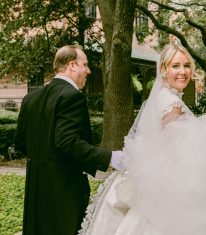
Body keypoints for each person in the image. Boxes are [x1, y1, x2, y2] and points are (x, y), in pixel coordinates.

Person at [79, 44, 206, 235]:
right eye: (176, 66)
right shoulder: (171, 103)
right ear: (164, 70)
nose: (183, 72)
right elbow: (168, 152)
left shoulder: (163, 97)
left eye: (187, 65)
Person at [14, 45, 125, 235]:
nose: (88, 71)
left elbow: (20, 143)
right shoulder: (73, 96)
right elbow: (67, 142)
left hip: (35, 190)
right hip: (64, 191)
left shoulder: (30, 98)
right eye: (85, 65)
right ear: (72, 65)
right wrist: (111, 158)